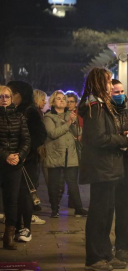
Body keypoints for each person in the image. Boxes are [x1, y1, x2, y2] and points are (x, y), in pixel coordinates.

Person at [79, 68, 128, 271]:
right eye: (108, 81)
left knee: (107, 214)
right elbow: (98, 138)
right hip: (101, 168)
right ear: (98, 83)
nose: (111, 85)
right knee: (99, 215)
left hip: (109, 168)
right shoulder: (95, 106)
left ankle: (105, 255)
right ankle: (94, 258)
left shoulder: (102, 105)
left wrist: (121, 136)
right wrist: (124, 139)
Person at [7, 81, 47, 240]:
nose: (10, 97)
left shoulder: (30, 111)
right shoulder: (8, 111)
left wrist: (24, 153)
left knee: (24, 194)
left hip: (26, 161)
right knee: (12, 195)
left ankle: (26, 228)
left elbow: (40, 136)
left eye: (13, 94)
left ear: (21, 95)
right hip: (9, 160)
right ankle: (13, 228)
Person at [43, 90, 87, 218]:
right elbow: (52, 133)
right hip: (55, 154)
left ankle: (78, 208)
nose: (62, 100)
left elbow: (78, 132)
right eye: (58, 98)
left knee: (73, 183)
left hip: (70, 154)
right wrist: (68, 124)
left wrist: (74, 124)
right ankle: (54, 209)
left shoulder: (71, 115)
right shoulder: (49, 117)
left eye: (64, 98)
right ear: (53, 101)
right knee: (54, 184)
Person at [109, 79, 128, 263]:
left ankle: (123, 247)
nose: (120, 95)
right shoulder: (104, 114)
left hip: (126, 166)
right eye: (115, 92)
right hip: (110, 166)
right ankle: (105, 247)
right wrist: (122, 141)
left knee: (126, 209)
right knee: (106, 209)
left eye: (121, 91)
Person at [0, 85, 31, 250]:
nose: (4, 99)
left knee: (12, 200)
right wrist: (5, 155)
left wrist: (19, 155)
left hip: (14, 164)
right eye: (1, 96)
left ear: (12, 98)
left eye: (7, 96)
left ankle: (9, 236)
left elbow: (26, 139)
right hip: (2, 160)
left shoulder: (19, 116)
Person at [65, 91, 82, 209]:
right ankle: (73, 200)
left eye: (72, 102)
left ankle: (73, 200)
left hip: (78, 148)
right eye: (68, 101)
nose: (69, 104)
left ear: (76, 103)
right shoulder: (63, 114)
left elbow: (81, 132)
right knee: (70, 176)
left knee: (73, 176)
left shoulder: (79, 115)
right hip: (66, 148)